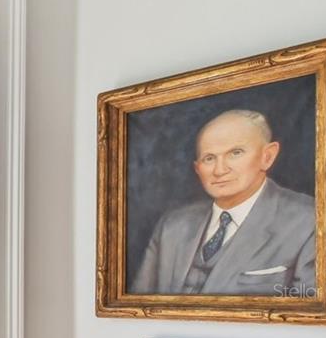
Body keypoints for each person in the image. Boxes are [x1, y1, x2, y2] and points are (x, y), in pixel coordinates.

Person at [131, 108, 315, 295]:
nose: (219, 170)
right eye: (209, 158)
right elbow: (139, 303)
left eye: (235, 153)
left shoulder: (309, 220)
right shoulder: (172, 226)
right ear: (197, 168)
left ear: (267, 156)